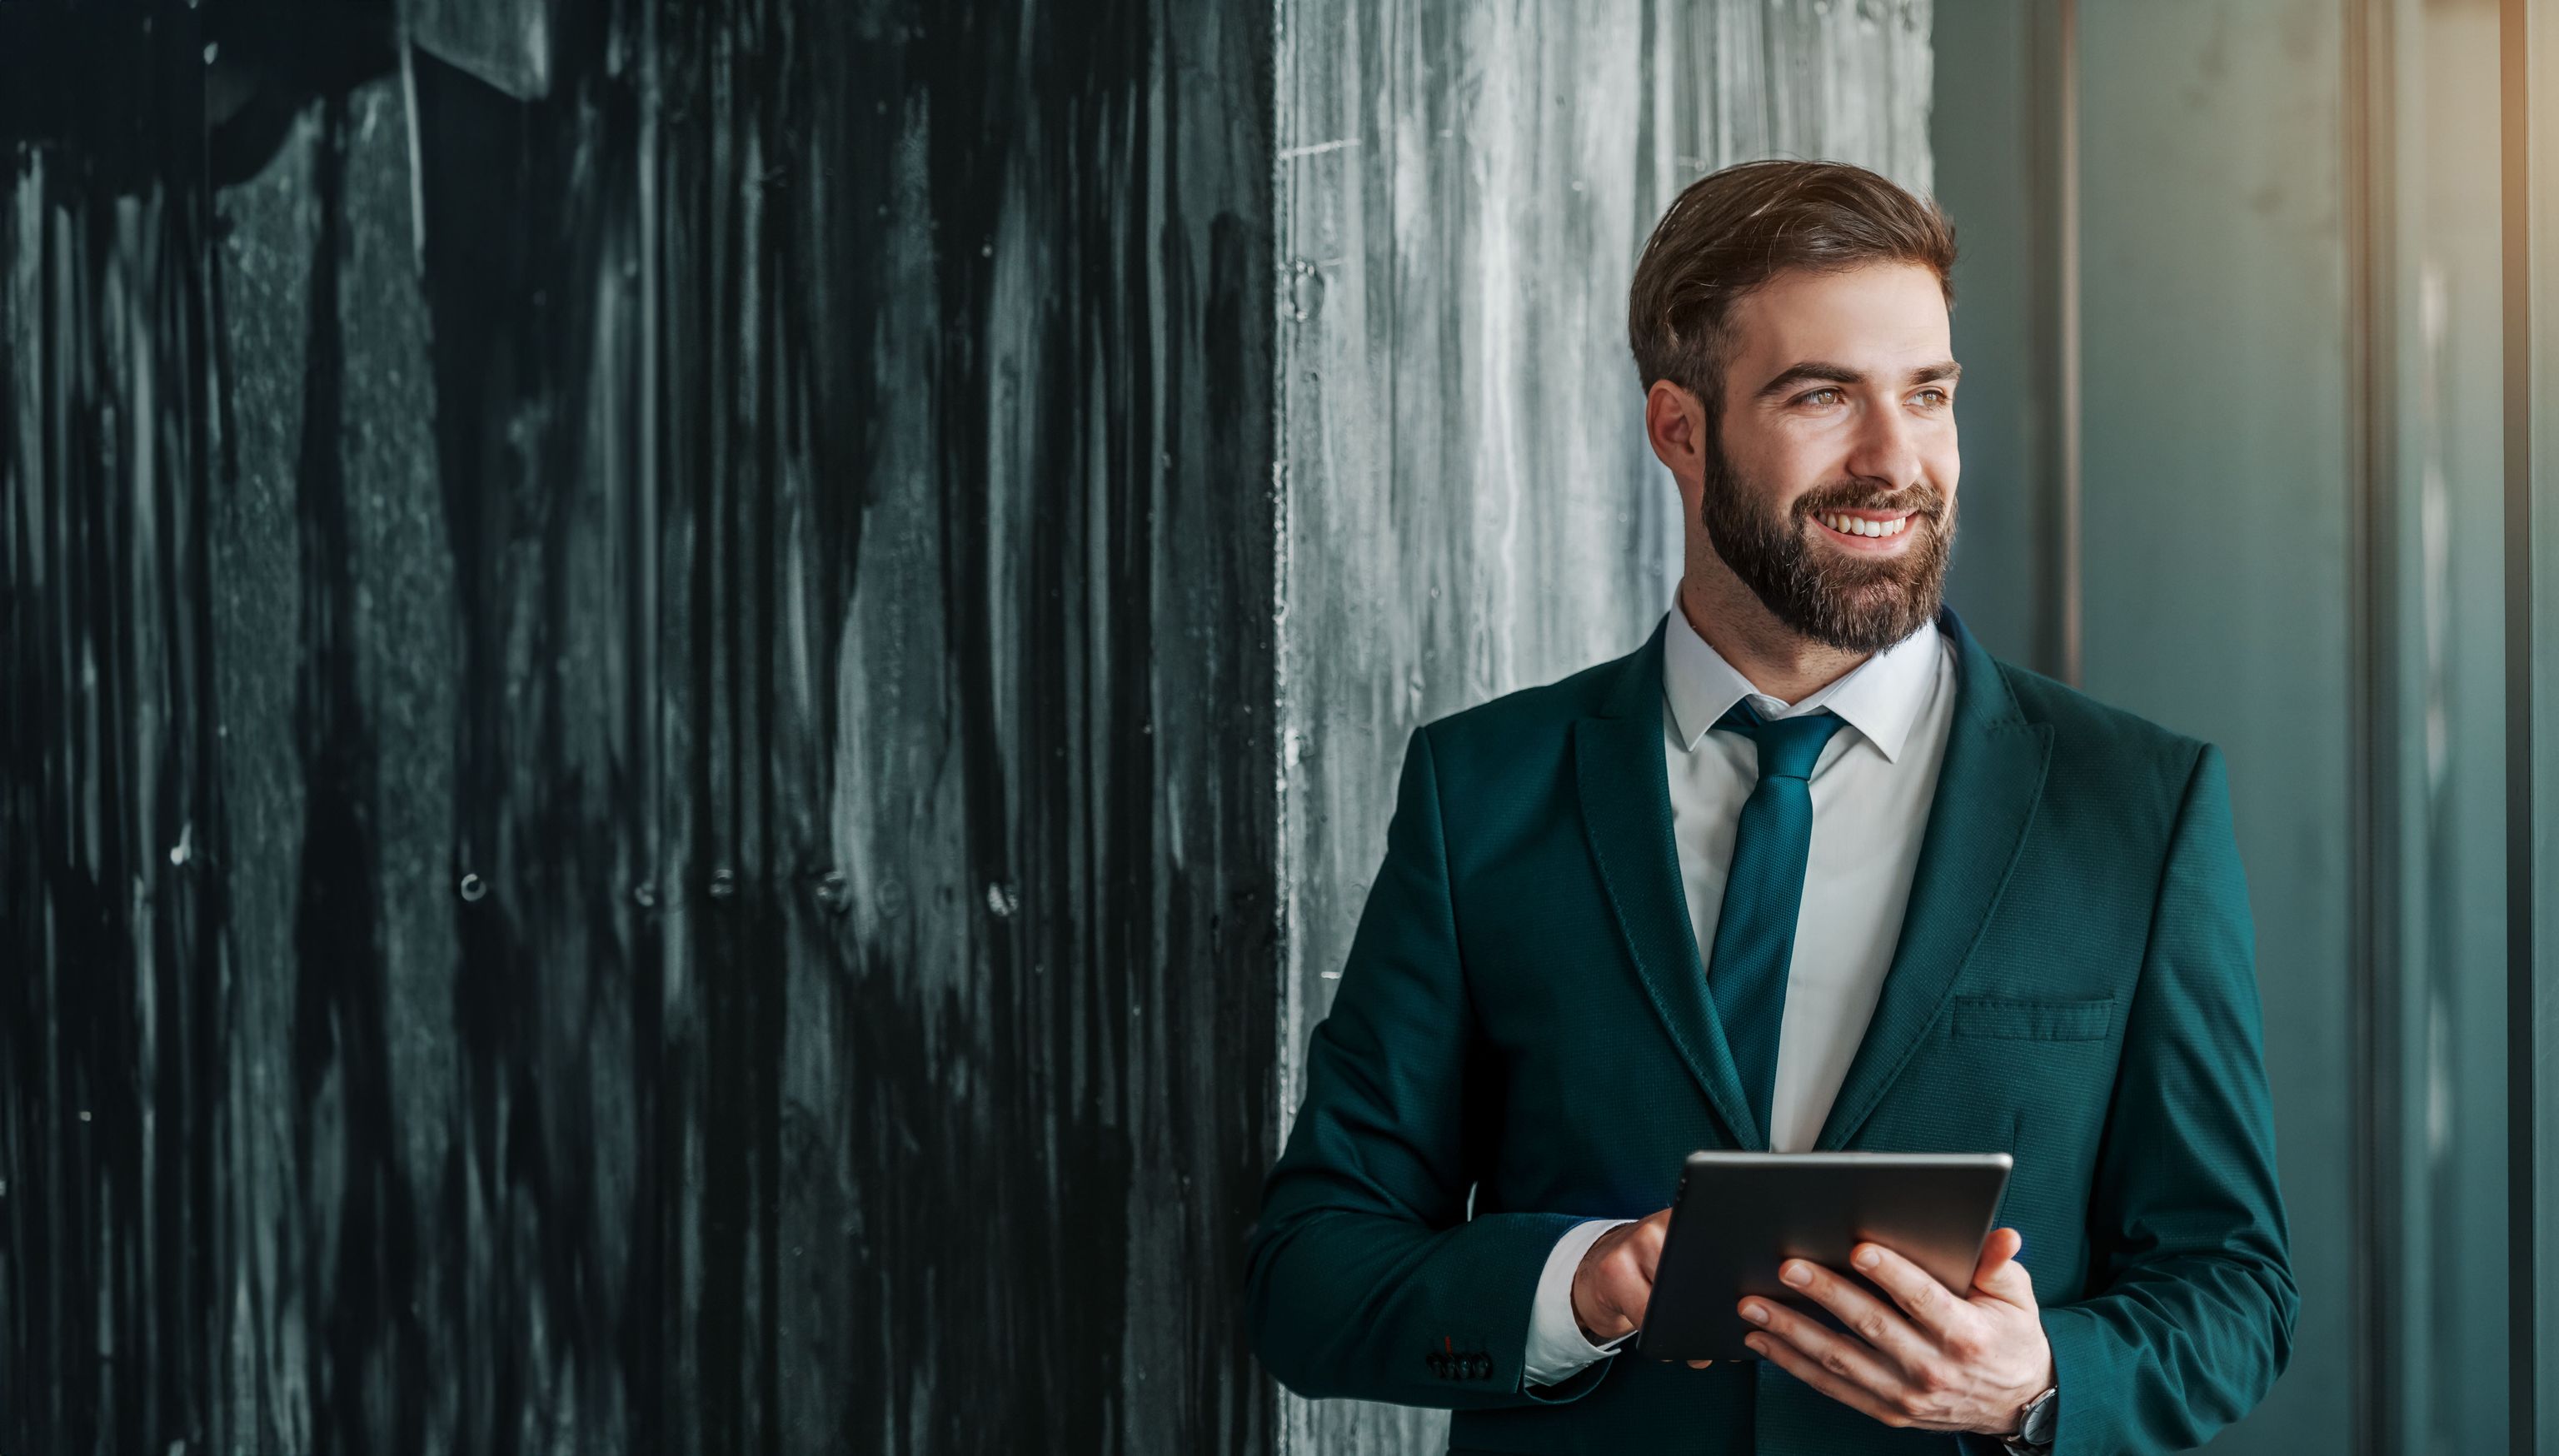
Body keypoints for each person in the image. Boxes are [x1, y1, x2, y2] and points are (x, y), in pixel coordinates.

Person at [1241, 158, 2296, 1454]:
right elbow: (1309, 1277)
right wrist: (1580, 1290)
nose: (1893, 460)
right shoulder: (1484, 792)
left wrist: (2036, 1381)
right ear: (1679, 428)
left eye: (1927, 396)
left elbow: (2238, 1289)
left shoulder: (2135, 806)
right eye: (1821, 397)